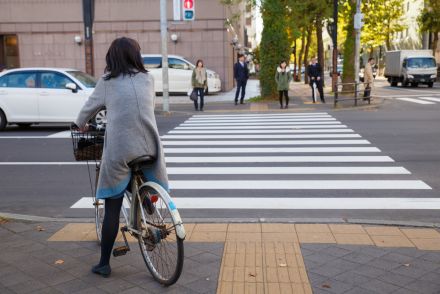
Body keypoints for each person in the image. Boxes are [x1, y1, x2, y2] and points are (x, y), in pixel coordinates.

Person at [74, 37, 169, 278]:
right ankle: (146, 201)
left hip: (120, 149)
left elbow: (89, 108)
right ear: (136, 57)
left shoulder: (107, 82)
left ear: (112, 58)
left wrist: (79, 123)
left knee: (112, 206)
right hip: (149, 146)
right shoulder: (148, 79)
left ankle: (104, 263)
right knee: (136, 170)